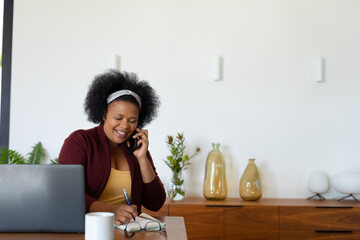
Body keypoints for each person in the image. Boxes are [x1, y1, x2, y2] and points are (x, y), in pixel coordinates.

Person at [58, 70, 166, 225]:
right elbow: (67, 193)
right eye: (118, 117)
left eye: (132, 120)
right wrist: (111, 211)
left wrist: (142, 159)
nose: (124, 126)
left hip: (127, 231)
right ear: (103, 114)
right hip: (88, 228)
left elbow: (155, 203)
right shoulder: (80, 141)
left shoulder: (137, 148)